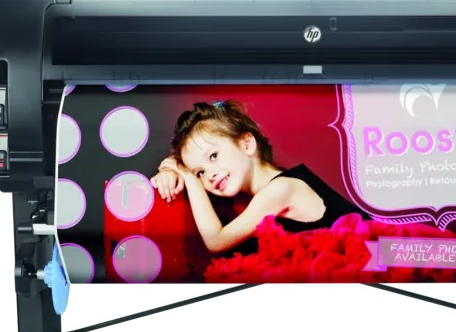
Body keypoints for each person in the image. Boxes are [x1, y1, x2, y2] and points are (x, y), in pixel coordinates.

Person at [150, 100, 370, 254]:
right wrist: (171, 171)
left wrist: (189, 178)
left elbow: (216, 240)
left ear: (246, 144)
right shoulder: (253, 198)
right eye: (200, 172)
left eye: (214, 156)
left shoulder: (280, 190)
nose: (210, 175)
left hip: (380, 261)